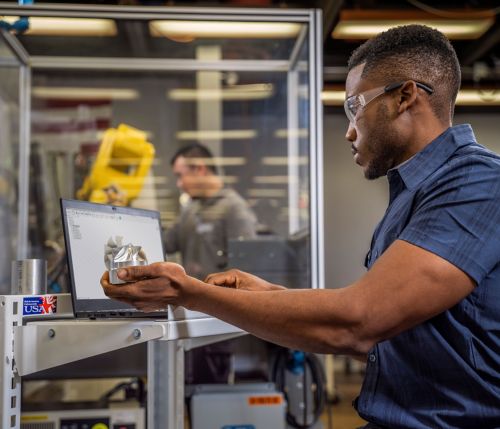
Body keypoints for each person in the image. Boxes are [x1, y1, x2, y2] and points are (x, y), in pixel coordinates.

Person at [101, 25, 500, 428]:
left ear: (405, 96)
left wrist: (190, 293)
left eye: (354, 106)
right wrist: (269, 295)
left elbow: (359, 325)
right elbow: (392, 336)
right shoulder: (414, 194)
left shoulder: (477, 185)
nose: (349, 128)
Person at [164, 143, 258, 384]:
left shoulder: (233, 209)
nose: (179, 183)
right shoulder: (191, 210)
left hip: (219, 322)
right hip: (192, 314)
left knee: (209, 390)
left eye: (180, 175)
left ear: (200, 169)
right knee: (190, 389)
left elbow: (247, 270)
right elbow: (166, 242)